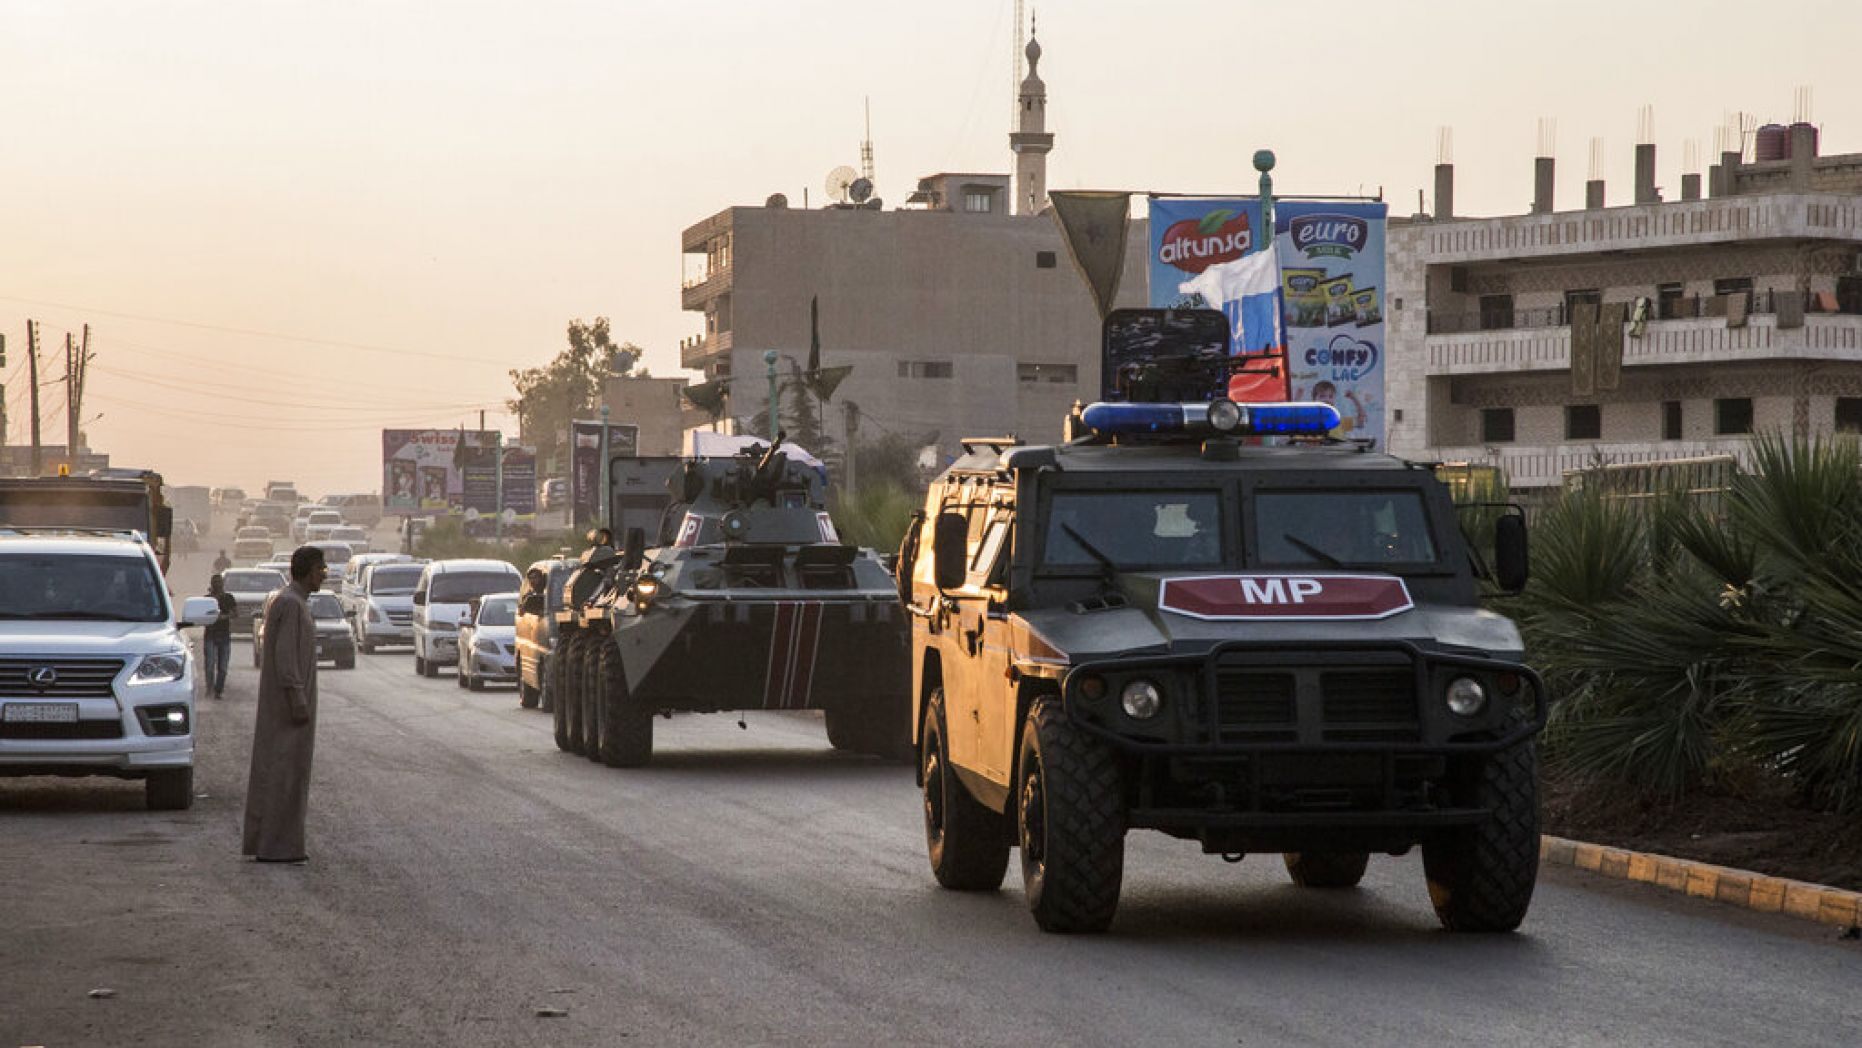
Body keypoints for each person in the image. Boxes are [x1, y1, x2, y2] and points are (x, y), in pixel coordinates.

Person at [243, 545, 325, 864]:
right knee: (285, 774)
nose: (323, 575)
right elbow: (286, 658)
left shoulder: (293, 602)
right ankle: (278, 847)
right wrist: (298, 698)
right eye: (320, 569)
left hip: (290, 705)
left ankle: (278, 843)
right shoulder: (291, 604)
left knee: (285, 772)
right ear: (306, 570)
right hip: (289, 708)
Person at [202, 574, 238, 699]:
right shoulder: (206, 600)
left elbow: (235, 613)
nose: (217, 584)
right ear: (211, 584)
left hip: (224, 636)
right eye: (215, 582)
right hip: (210, 635)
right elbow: (201, 616)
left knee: (222, 668)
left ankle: (218, 691)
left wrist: (223, 617)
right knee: (210, 665)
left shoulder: (228, 598)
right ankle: (210, 689)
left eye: (219, 582)